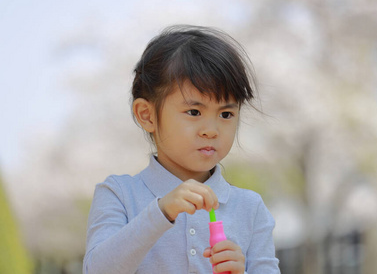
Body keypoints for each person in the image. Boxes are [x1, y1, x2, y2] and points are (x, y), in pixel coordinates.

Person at [83, 25, 280, 274]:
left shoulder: (250, 208)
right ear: (147, 115)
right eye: (194, 112)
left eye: (226, 114)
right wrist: (161, 211)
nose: (211, 130)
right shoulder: (119, 195)